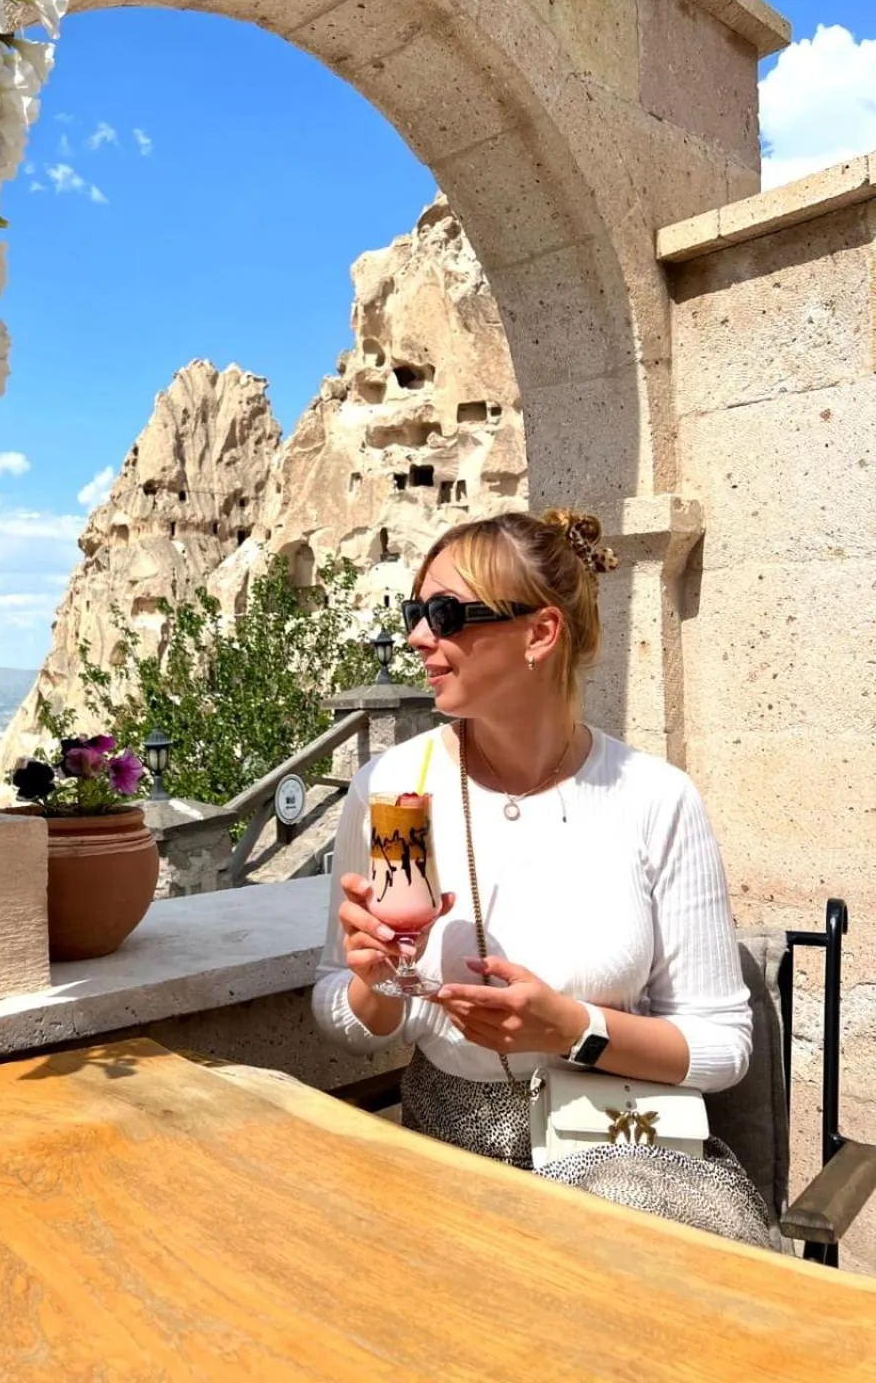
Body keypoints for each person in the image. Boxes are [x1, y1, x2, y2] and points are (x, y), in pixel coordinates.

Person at [313, 509, 771, 1247]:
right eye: (415, 613)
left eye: (445, 614)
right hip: (444, 1149)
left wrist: (573, 1028)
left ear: (539, 633)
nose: (417, 637)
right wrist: (374, 981)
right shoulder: (395, 786)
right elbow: (341, 1009)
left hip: (626, 1153)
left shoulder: (653, 798)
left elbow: (722, 1047)